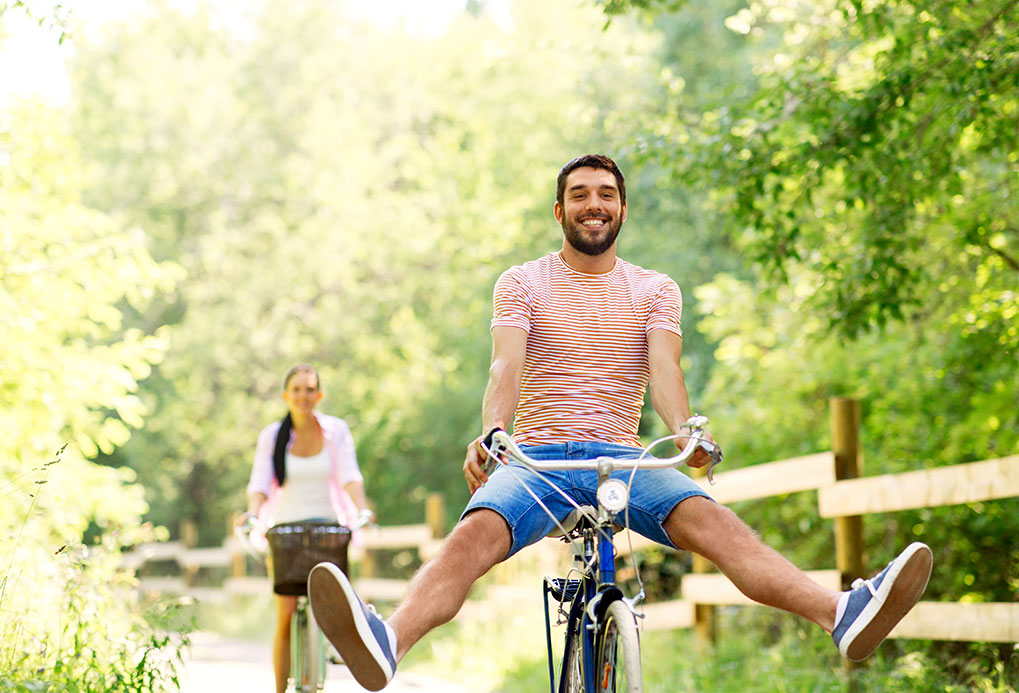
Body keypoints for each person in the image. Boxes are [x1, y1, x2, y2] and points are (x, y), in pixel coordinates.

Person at [307, 155, 933, 691]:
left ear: (623, 209)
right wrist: (495, 432)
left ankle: (841, 614)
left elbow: (665, 371)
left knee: (719, 526)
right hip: (537, 460)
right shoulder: (522, 281)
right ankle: (389, 641)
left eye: (606, 194)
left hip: (625, 458)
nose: (593, 204)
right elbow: (506, 366)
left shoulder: (655, 289)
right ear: (560, 211)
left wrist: (688, 433)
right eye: (578, 195)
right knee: (470, 544)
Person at [241, 363, 373, 693]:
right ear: (286, 395)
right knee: (285, 613)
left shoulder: (336, 430)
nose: (304, 396)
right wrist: (254, 513)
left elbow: (349, 476)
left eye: (310, 389)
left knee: (333, 605)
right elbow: (260, 483)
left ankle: (339, 648)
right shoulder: (272, 436)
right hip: (285, 532)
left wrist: (363, 510)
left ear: (319, 394)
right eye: (297, 390)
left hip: (328, 528)